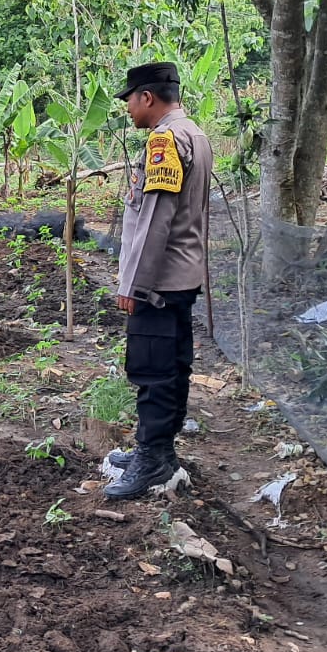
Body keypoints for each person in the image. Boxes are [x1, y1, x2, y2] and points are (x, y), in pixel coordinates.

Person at [104, 61, 214, 500]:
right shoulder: (196, 134)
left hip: (160, 281)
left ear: (147, 97)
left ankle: (152, 459)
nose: (128, 109)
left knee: (152, 369)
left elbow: (154, 220)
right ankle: (160, 451)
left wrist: (132, 284)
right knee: (173, 366)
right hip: (180, 275)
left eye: (129, 100)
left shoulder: (165, 141)